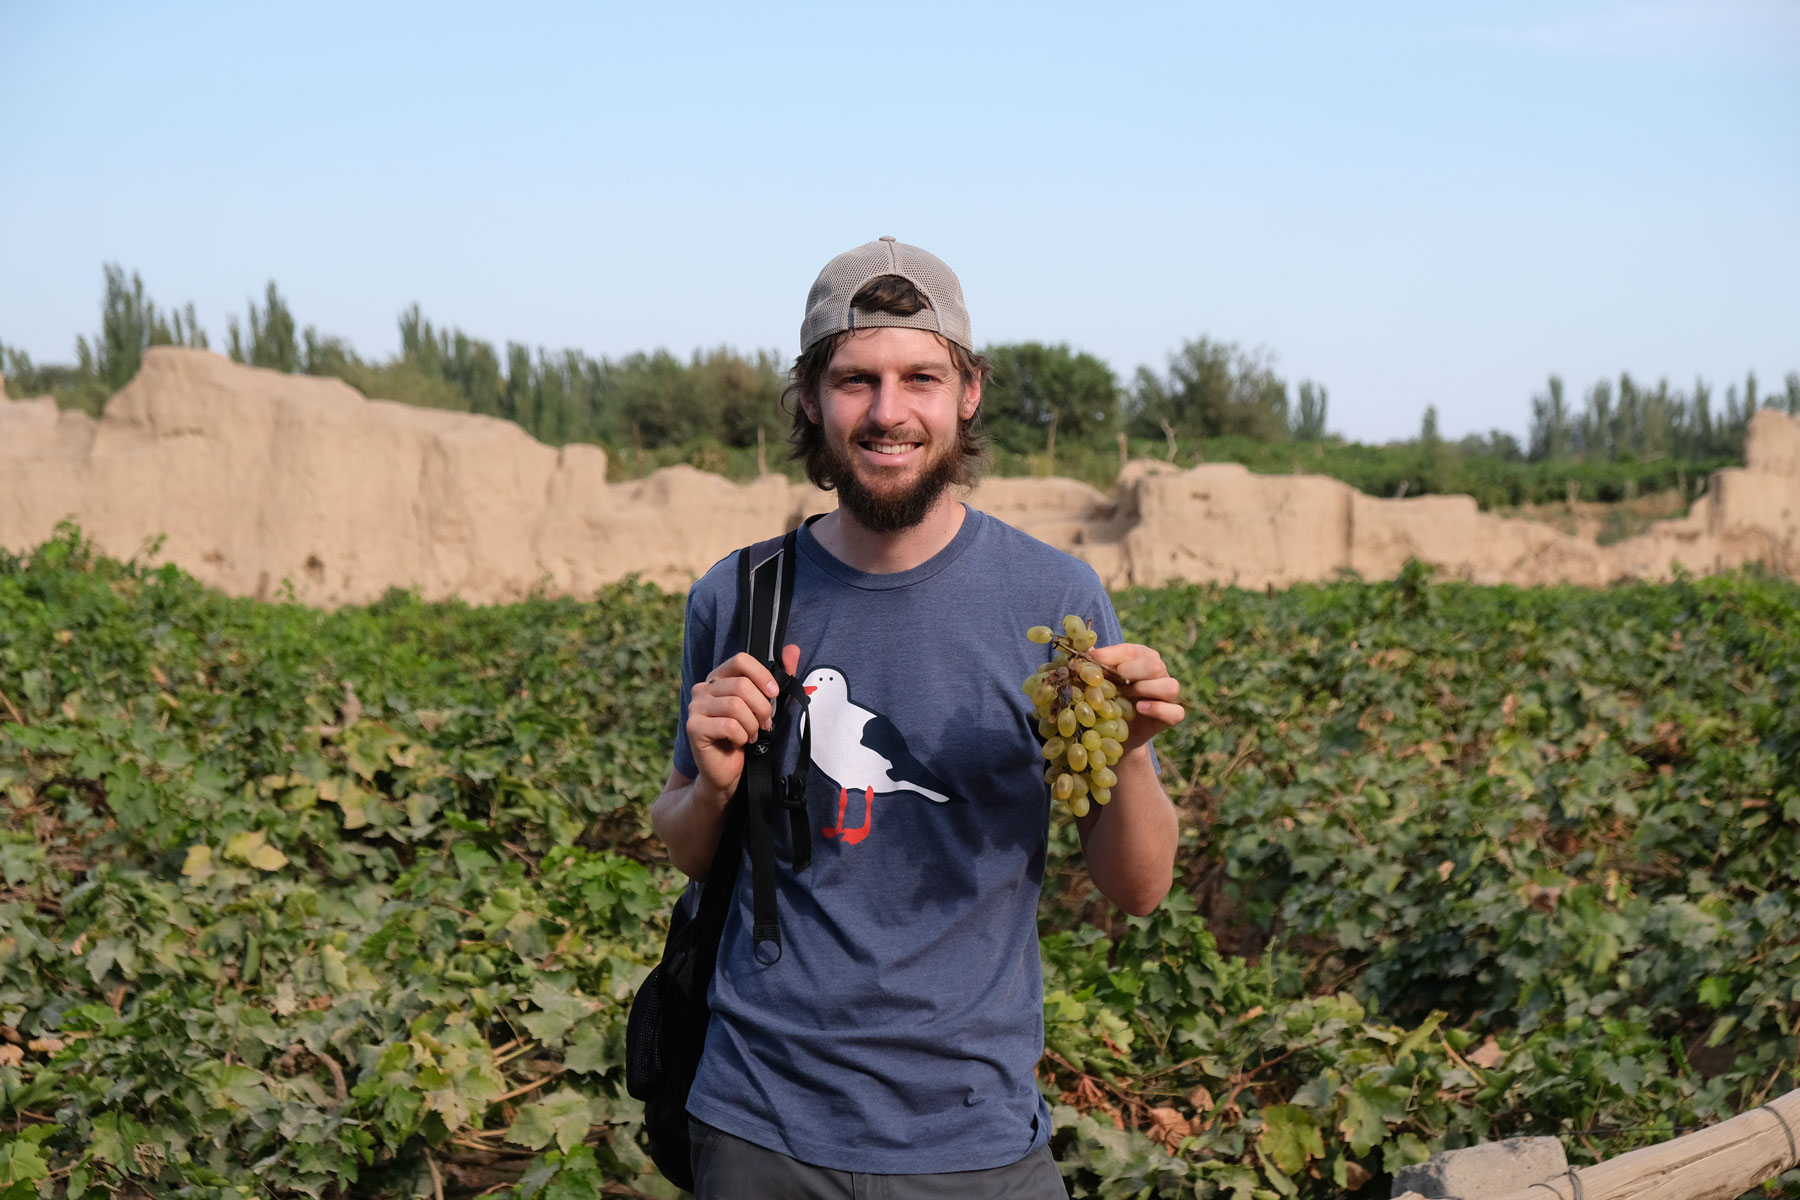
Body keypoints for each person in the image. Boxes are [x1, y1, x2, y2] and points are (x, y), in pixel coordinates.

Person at [650, 237, 1185, 1197]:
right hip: (759, 1124)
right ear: (812, 397)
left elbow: (1137, 889)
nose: (888, 412)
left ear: (967, 392)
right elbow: (689, 841)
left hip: (974, 1137)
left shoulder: (1055, 598)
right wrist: (717, 787)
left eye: (920, 378)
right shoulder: (739, 597)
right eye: (855, 380)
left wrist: (1133, 756)